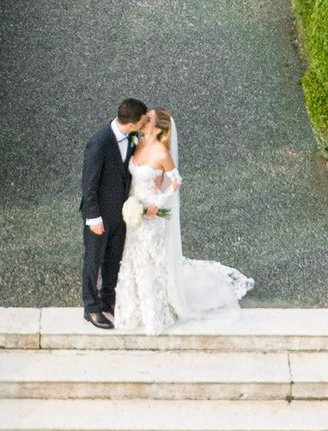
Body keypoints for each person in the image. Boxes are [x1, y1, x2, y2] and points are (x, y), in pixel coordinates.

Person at [115, 108, 253, 333]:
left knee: (151, 260)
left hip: (151, 215)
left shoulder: (161, 153)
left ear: (158, 128)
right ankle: (133, 309)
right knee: (133, 258)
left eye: (147, 120)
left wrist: (157, 204)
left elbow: (176, 181)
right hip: (134, 211)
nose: (143, 122)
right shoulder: (137, 143)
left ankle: (154, 312)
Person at [81, 99, 147, 327]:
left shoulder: (131, 138)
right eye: (143, 121)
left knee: (113, 260)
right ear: (134, 123)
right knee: (93, 261)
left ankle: (107, 299)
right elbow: (88, 185)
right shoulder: (99, 143)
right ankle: (90, 307)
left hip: (121, 213)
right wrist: (93, 218)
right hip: (99, 215)